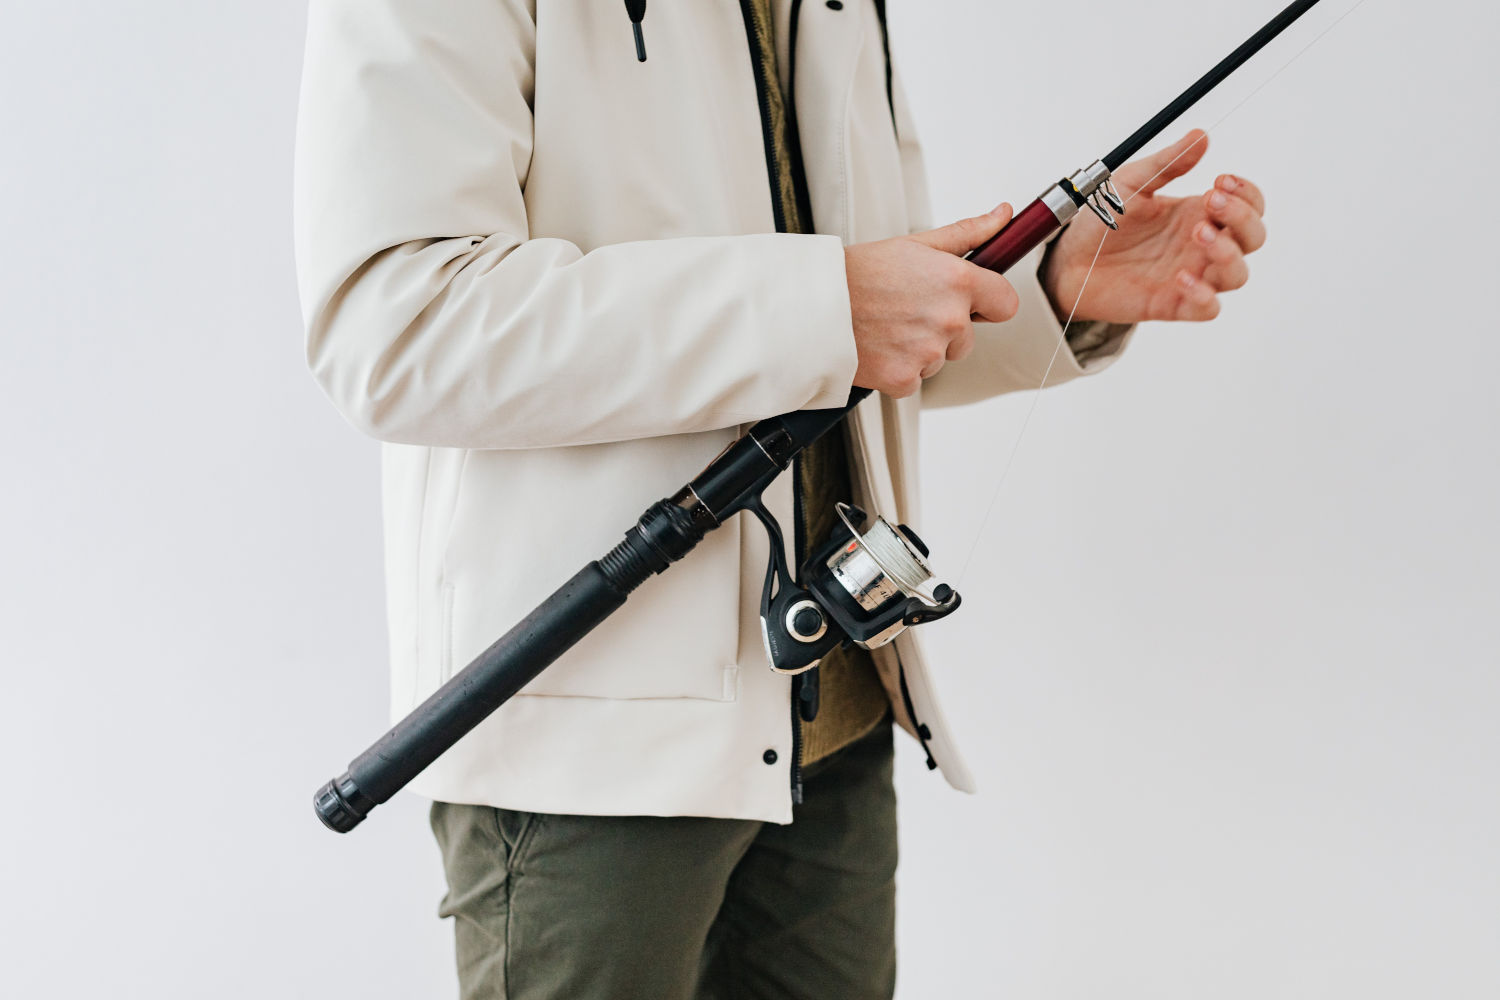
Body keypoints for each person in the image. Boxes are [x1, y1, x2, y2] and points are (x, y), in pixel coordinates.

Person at [293, 2, 1268, 997]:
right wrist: (828, 304)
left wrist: (1055, 289)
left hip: (832, 722)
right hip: (587, 757)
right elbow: (398, 324)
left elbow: (865, 331)